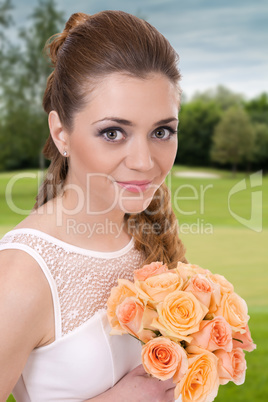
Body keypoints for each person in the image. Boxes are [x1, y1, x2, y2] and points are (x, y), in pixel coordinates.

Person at [0, 10, 187, 402]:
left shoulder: (143, 231)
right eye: (114, 132)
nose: (143, 160)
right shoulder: (21, 273)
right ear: (61, 133)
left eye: (161, 131)